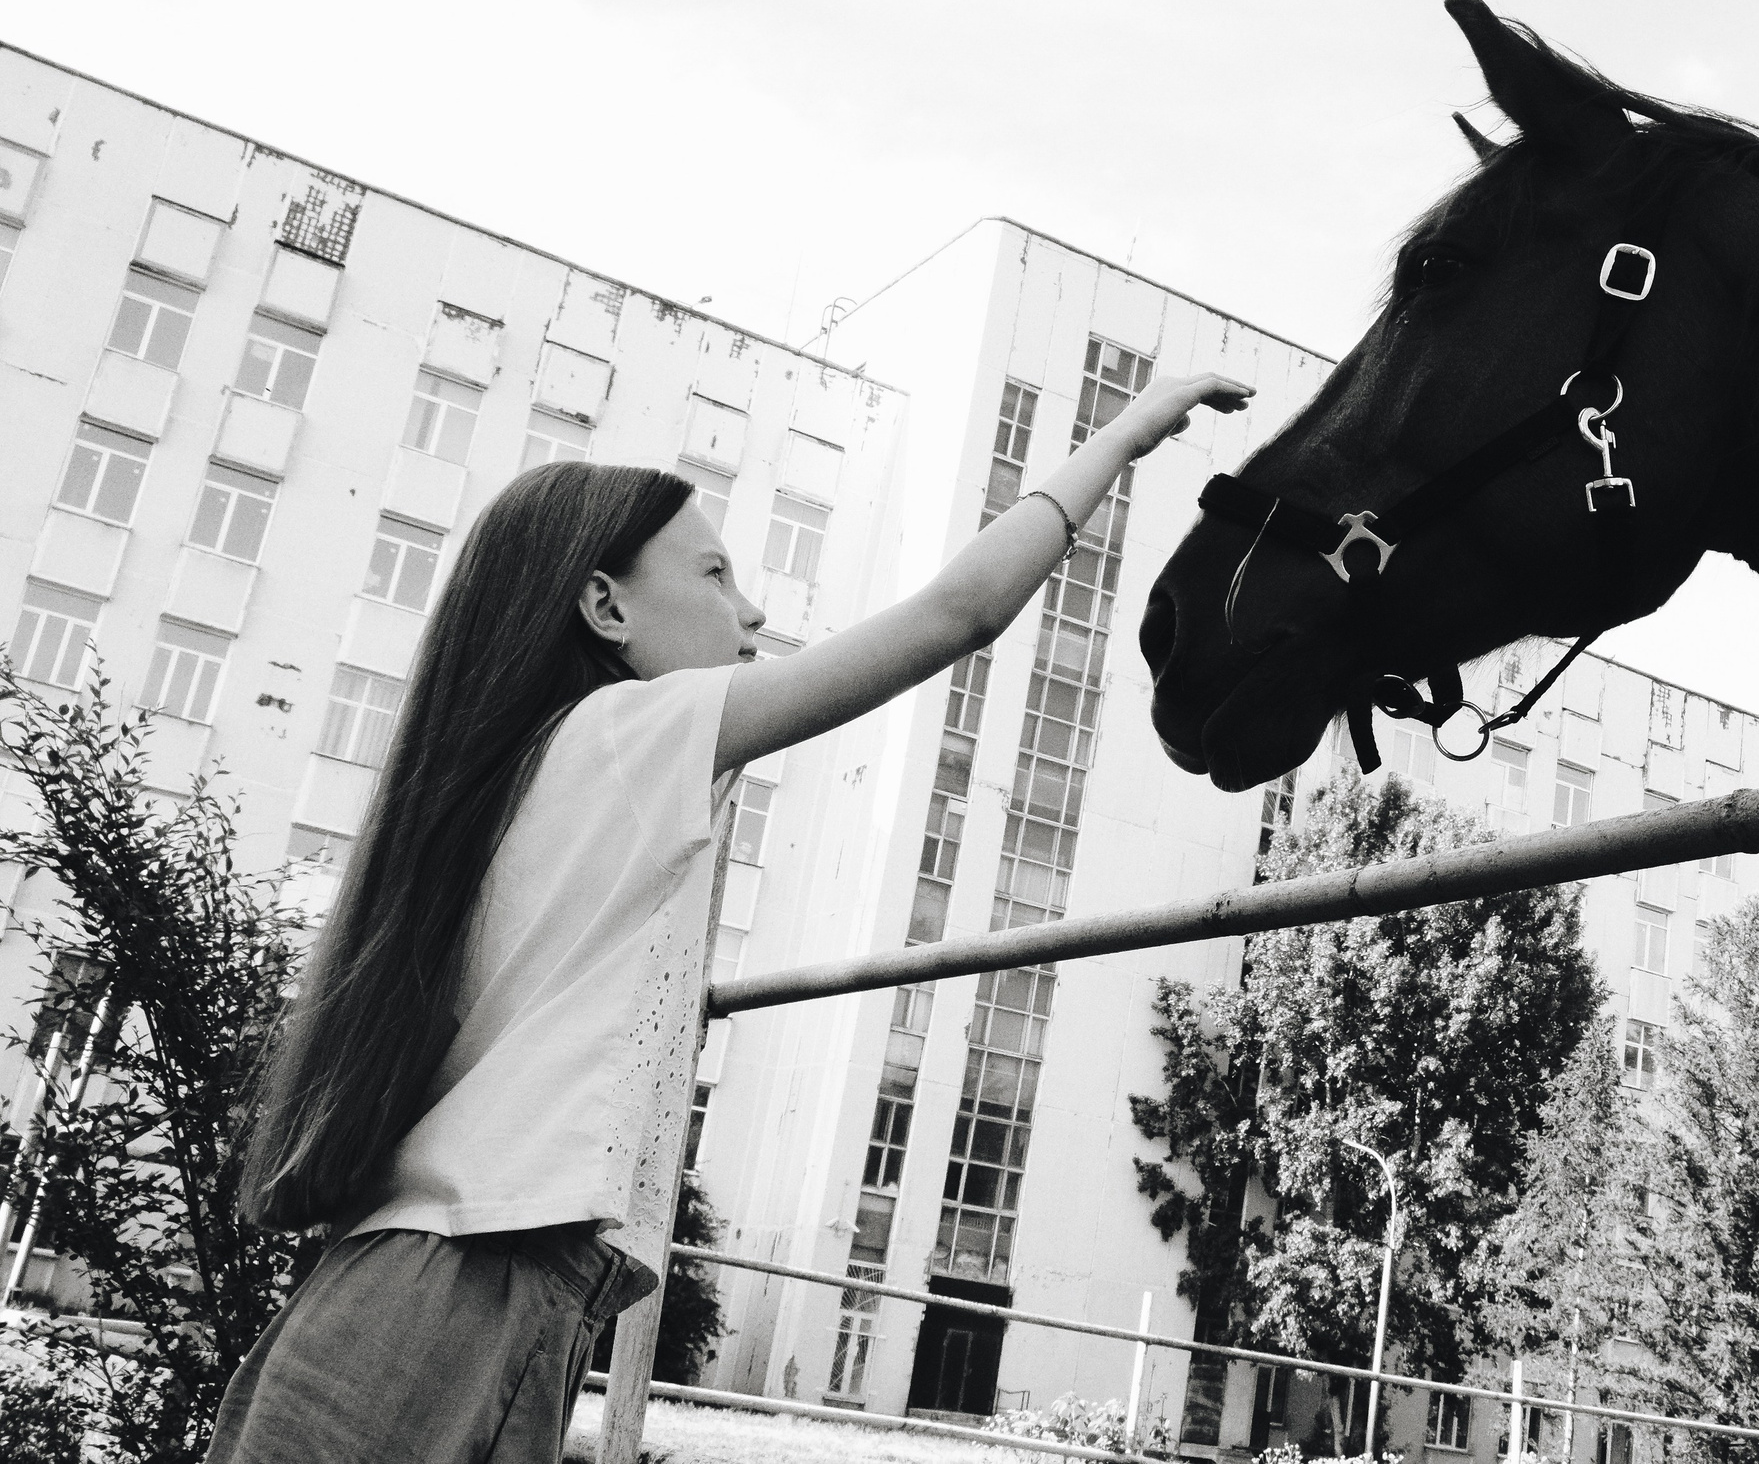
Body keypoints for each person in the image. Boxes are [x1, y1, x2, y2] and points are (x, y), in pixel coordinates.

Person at [208, 368, 1251, 1463]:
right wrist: (1128, 434)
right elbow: (959, 612)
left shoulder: (514, 771)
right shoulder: (626, 731)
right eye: (713, 574)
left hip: (415, 1284)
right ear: (605, 607)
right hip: (462, 1290)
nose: (750, 609)